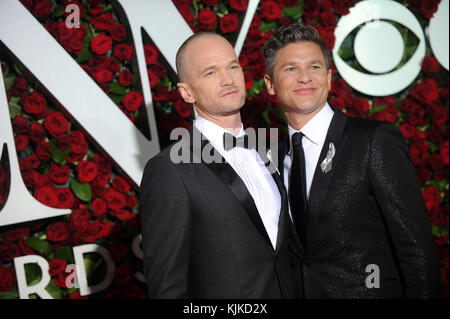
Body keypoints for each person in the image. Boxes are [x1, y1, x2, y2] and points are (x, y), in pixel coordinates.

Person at [262, 23, 442, 298]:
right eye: (290, 69)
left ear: (329, 78)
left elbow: (416, 250)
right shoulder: (271, 157)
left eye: (314, 67)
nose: (305, 77)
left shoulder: (373, 142)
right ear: (270, 85)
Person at [139, 32, 302, 298]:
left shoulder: (270, 150)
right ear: (187, 92)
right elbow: (167, 287)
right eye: (211, 73)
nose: (228, 80)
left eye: (233, 66)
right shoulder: (169, 170)